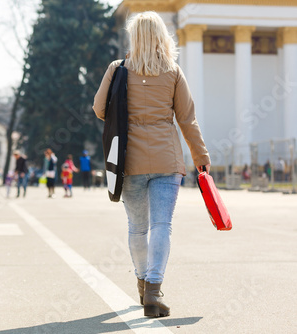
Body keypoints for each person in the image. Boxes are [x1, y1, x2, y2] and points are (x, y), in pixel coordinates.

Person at [93, 12, 211, 318]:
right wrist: (200, 157)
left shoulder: (117, 69)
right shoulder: (173, 71)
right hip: (166, 159)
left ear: (134, 37)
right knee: (162, 225)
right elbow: (187, 119)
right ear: (162, 36)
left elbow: (98, 109)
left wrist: (125, 117)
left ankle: (143, 283)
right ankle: (154, 292)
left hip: (128, 159)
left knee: (137, 227)